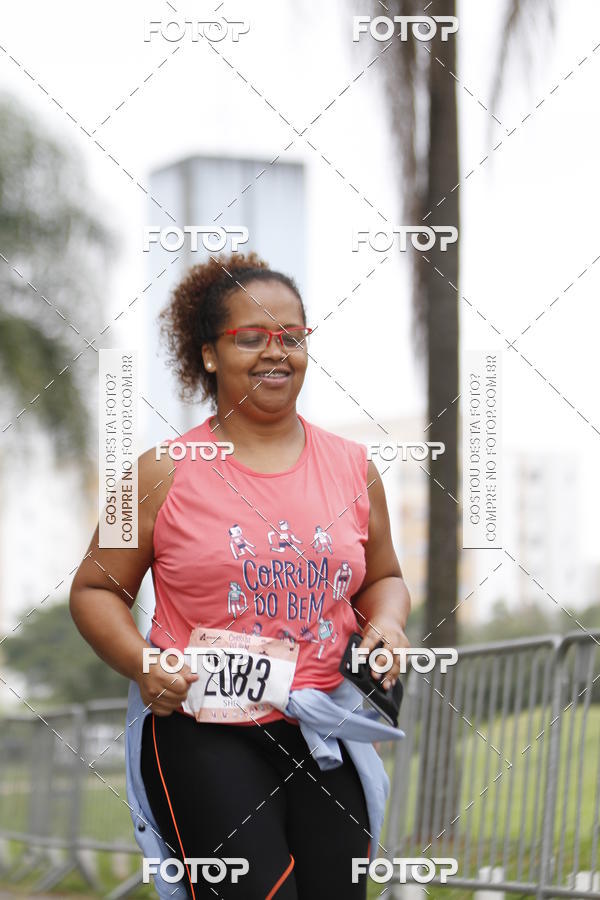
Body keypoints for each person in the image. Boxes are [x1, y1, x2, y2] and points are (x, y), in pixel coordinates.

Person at [70, 251, 412, 899]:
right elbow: (93, 590)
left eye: (291, 337)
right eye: (251, 338)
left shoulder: (355, 468)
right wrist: (144, 663)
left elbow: (384, 578)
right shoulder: (155, 472)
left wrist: (389, 622)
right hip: (201, 728)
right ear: (208, 354)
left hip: (322, 725)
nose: (275, 352)